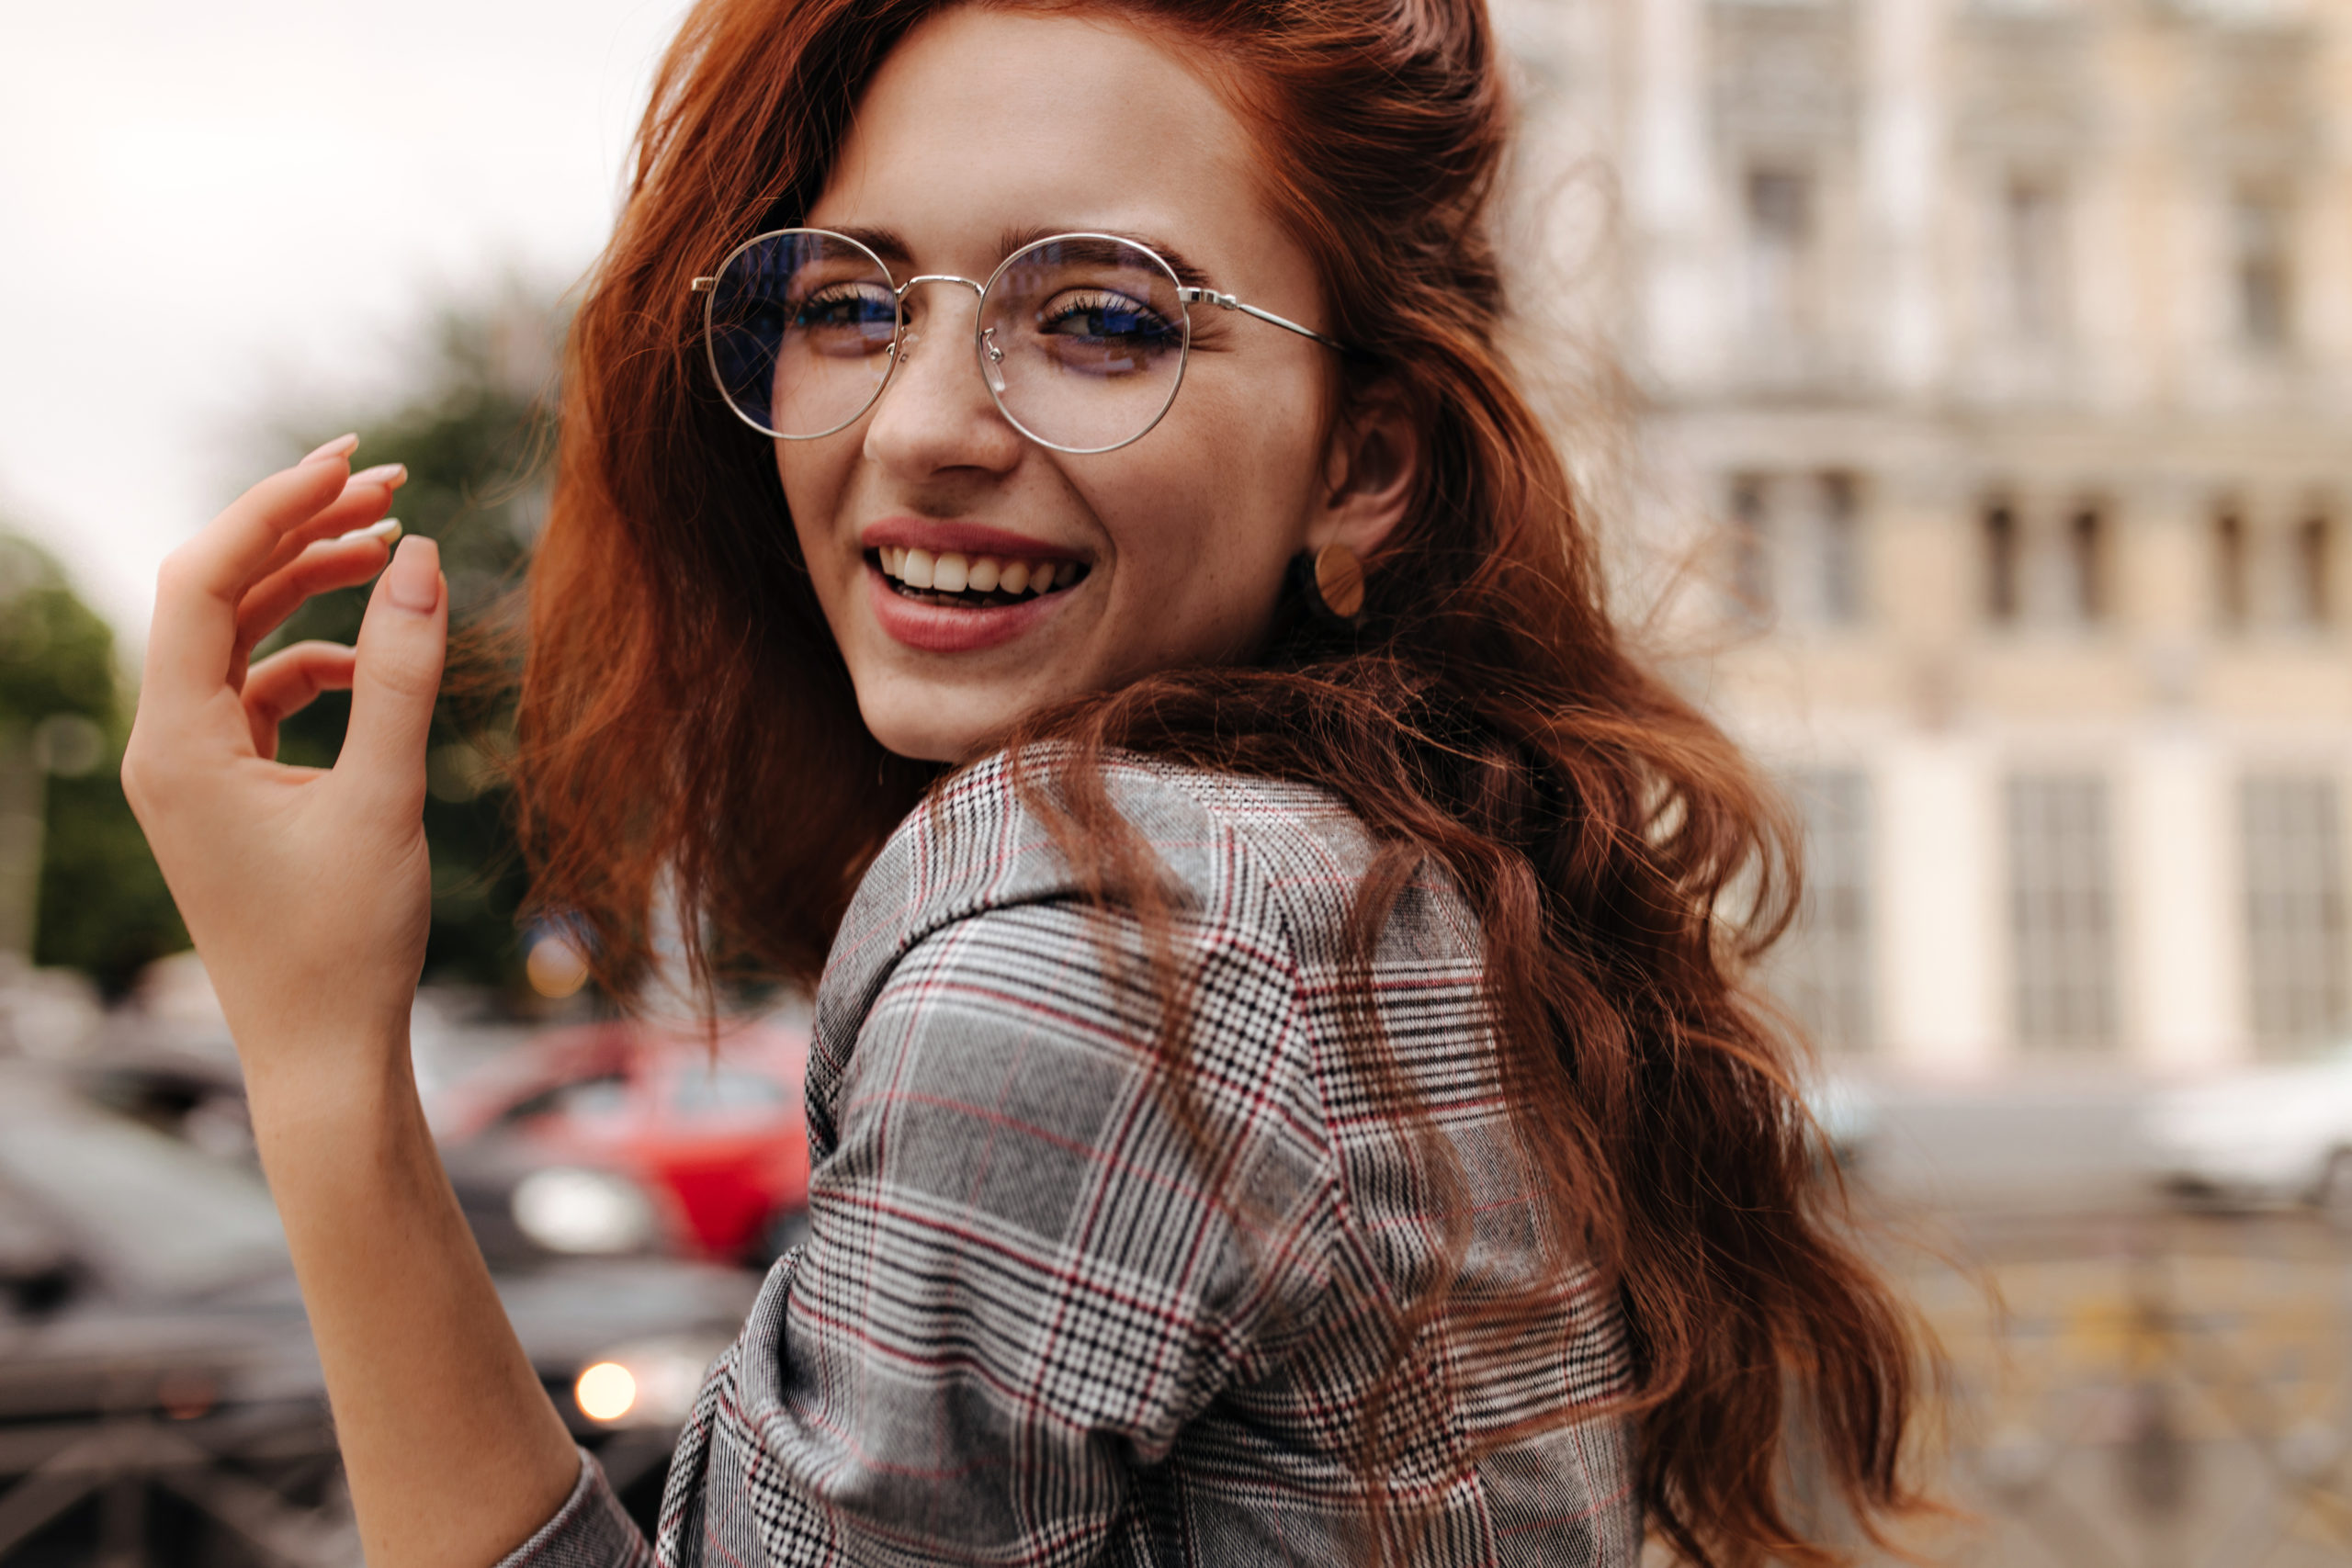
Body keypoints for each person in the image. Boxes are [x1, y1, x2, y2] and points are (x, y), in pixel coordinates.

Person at [125, 0, 1933, 1561]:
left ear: (1360, 461)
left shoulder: (1110, 941)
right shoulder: (1385, 876)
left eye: (1104, 321)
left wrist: (316, 1055)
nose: (917, 423)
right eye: (848, 300)